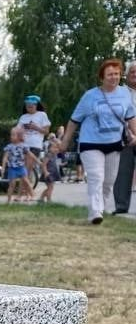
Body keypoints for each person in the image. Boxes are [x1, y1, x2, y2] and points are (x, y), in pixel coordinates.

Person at [57, 58, 136, 225]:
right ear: (102, 77)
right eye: (109, 74)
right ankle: (95, 212)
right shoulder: (90, 96)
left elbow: (130, 118)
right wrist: (65, 142)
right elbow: (74, 120)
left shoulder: (124, 94)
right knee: (96, 177)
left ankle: (101, 208)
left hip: (114, 144)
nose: (113, 77)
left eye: (116, 74)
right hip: (90, 143)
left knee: (109, 181)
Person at [112, 61, 136, 215]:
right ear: (126, 75)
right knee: (122, 172)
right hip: (125, 137)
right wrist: (131, 134)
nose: (135, 75)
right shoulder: (118, 92)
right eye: (132, 72)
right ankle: (121, 206)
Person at [1, 126, 37, 204]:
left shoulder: (23, 146)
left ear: (19, 136)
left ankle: (33, 195)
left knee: (26, 181)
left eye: (14, 135)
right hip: (12, 168)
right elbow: (5, 157)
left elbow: (30, 154)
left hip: (21, 167)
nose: (11, 137)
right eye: (11, 135)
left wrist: (38, 161)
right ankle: (8, 200)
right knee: (12, 184)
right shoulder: (9, 147)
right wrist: (3, 167)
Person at [16, 96, 50, 161]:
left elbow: (46, 131)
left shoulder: (42, 115)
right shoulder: (23, 117)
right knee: (24, 167)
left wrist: (36, 127)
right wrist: (22, 129)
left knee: (28, 167)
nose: (29, 108)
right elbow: (17, 130)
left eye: (31, 106)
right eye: (28, 106)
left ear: (36, 105)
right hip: (23, 145)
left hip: (35, 145)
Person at [38, 139, 61, 204]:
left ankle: (41, 198)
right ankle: (48, 200)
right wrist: (45, 172)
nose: (56, 149)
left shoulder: (54, 155)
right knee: (50, 187)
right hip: (48, 173)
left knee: (50, 187)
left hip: (53, 173)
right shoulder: (48, 155)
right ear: (49, 148)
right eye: (54, 147)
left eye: (57, 148)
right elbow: (43, 164)